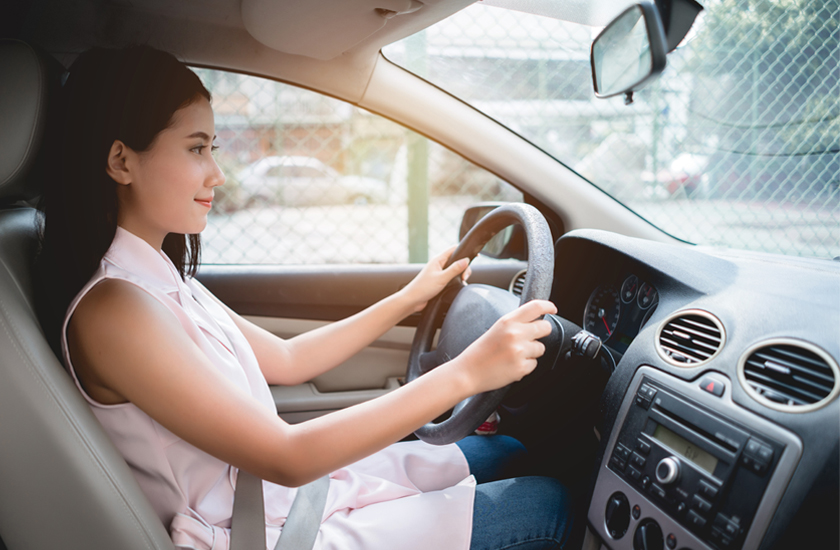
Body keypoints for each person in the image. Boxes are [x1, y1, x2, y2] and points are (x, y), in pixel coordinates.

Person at [35, 45, 572, 550]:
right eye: (197, 148)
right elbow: (286, 456)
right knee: (550, 507)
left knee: (508, 452)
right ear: (121, 162)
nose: (218, 174)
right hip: (263, 530)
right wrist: (468, 372)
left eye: (212, 149)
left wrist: (409, 298)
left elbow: (291, 360)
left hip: (286, 500)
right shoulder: (114, 309)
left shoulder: (164, 281)